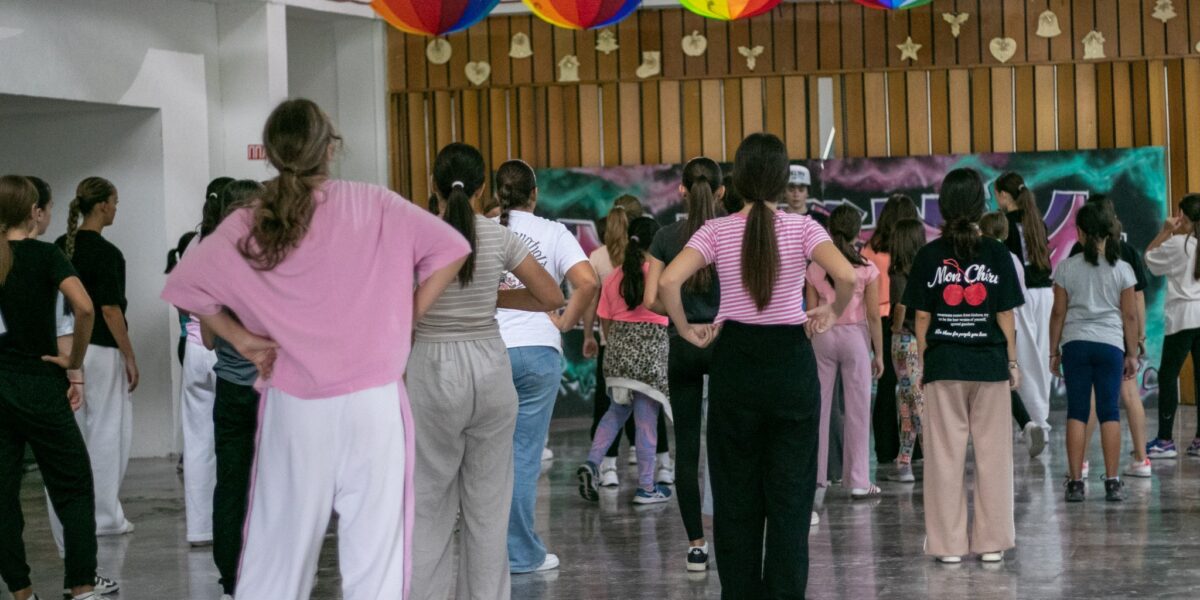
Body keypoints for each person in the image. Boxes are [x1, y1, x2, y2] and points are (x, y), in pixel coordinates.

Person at [162, 98, 470, 599]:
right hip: (373, 400)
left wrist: (242, 339)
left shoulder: (252, 220)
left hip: (295, 402)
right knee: (376, 556)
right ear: (330, 148)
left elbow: (185, 285)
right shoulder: (375, 203)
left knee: (276, 554)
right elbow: (453, 248)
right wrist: (406, 316)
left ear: (272, 154)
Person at [659, 133, 855, 598]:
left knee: (735, 495)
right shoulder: (804, 228)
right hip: (791, 364)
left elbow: (668, 282)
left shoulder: (715, 230)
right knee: (791, 497)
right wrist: (831, 311)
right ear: (783, 181)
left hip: (736, 363)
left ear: (738, 180)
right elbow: (846, 275)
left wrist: (686, 329)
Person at [408, 144, 562, 600]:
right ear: (481, 189)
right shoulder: (499, 236)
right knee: (489, 510)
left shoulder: (417, 235)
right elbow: (552, 296)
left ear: (434, 185)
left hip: (432, 367)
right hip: (490, 367)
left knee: (429, 506)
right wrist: (494, 297)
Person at [904, 168, 1024, 564]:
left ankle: (948, 546)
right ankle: (991, 544)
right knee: (994, 458)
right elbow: (1005, 315)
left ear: (943, 205)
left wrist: (925, 360)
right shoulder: (997, 253)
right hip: (989, 365)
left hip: (944, 365)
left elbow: (921, 318)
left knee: (944, 458)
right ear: (979, 205)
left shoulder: (928, 255)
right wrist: (1012, 362)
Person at [493, 159, 599, 575]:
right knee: (523, 456)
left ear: (497, 193)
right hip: (538, 352)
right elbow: (588, 281)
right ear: (534, 195)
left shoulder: (482, 229)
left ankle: (485, 552)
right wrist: (566, 322)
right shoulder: (554, 232)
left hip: (489, 352)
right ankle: (521, 554)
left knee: (485, 456)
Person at [0, 175, 101, 600]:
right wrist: (73, 362)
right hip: (40, 383)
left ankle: (21, 592)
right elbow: (85, 308)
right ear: (33, 212)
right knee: (73, 486)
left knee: (2, 495)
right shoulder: (46, 256)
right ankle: (81, 586)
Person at [644, 157, 724, 572]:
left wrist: (684, 325)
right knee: (732, 445)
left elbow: (651, 299)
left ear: (681, 191)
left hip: (683, 346)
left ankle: (696, 546)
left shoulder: (665, 237)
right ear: (722, 192)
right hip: (725, 345)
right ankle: (732, 532)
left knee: (687, 450)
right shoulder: (733, 232)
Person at [54, 177, 137, 539]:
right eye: (114, 202)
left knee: (72, 436)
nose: (116, 209)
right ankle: (105, 517)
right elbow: (109, 310)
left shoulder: (60, 246)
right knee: (106, 431)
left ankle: (71, 516)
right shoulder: (107, 254)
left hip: (65, 348)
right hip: (101, 349)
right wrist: (129, 355)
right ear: (102, 205)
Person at [195, 179, 264, 600]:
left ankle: (231, 581)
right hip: (272, 391)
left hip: (230, 388)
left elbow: (206, 339)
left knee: (231, 485)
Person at [578, 216, 673, 505]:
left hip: (617, 354)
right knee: (646, 422)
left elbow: (605, 323)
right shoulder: (659, 276)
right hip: (650, 356)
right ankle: (646, 487)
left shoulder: (613, 277)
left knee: (615, 412)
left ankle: (593, 462)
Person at [1049, 203, 1139, 502]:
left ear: (1080, 233)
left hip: (1075, 345)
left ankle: (1075, 484)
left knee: (1077, 411)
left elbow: (1058, 313)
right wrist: (1132, 353)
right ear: (1109, 233)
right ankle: (1112, 482)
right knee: (1109, 412)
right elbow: (1129, 316)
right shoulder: (1123, 269)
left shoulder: (1066, 268)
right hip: (1110, 346)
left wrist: (1053, 351)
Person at [174, 178, 242, 548]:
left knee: (198, 443)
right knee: (235, 452)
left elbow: (180, 298)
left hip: (195, 349)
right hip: (229, 353)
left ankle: (201, 530)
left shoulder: (194, 244)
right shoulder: (239, 246)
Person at [1066, 195, 1153, 477]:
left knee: (1089, 401)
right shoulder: (1126, 252)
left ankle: (1080, 463)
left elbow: (1064, 303)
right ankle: (1141, 459)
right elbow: (1137, 299)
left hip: (1086, 336)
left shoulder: (1077, 253)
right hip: (1119, 337)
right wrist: (1138, 339)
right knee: (1128, 394)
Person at [807, 204, 884, 497]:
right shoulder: (867, 268)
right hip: (856, 338)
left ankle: (817, 479)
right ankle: (859, 482)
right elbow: (873, 315)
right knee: (858, 410)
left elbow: (811, 311)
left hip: (822, 335)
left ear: (829, 230)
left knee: (820, 409)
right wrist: (879, 354)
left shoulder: (815, 267)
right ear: (858, 233)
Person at [862, 194, 920, 466]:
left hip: (879, 321)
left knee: (885, 386)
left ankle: (885, 450)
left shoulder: (869, 250)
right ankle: (916, 450)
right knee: (913, 387)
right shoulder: (913, 252)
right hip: (909, 322)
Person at [979, 211, 1042, 457]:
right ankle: (1026, 423)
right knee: (1004, 377)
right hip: (1010, 325)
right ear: (1005, 233)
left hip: (987, 323)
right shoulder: (1013, 258)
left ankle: (1006, 428)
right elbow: (1020, 295)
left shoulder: (983, 256)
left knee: (992, 380)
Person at [997, 173, 1054, 440]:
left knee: (1025, 360)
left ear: (1004, 195)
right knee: (1041, 357)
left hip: (1023, 295)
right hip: (1045, 294)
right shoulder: (1036, 220)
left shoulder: (1006, 223)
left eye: (997, 195)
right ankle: (1040, 420)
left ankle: (1035, 422)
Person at [1143, 194, 1200, 459]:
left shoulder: (1178, 244)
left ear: (1183, 217)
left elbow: (1149, 258)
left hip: (1182, 318)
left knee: (1168, 376)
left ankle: (1165, 440)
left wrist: (1165, 231)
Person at [885, 218, 927, 483]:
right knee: (910, 398)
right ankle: (904, 460)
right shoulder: (925, 269)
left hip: (904, 341)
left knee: (911, 400)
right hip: (922, 339)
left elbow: (899, 306)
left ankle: (930, 457)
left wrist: (895, 327)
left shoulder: (898, 272)